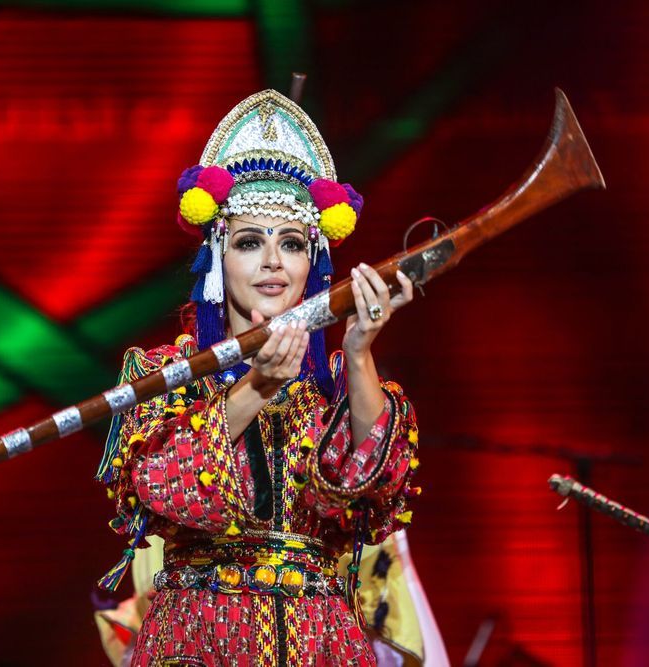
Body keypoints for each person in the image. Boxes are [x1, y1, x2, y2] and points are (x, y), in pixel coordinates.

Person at [95, 89, 422, 666]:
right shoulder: (166, 375)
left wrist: (360, 353)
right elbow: (166, 487)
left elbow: (375, 491)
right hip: (199, 639)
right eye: (250, 242)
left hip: (320, 641)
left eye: (291, 243)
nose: (273, 261)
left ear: (313, 262)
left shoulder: (336, 384)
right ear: (217, 257)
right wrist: (257, 387)